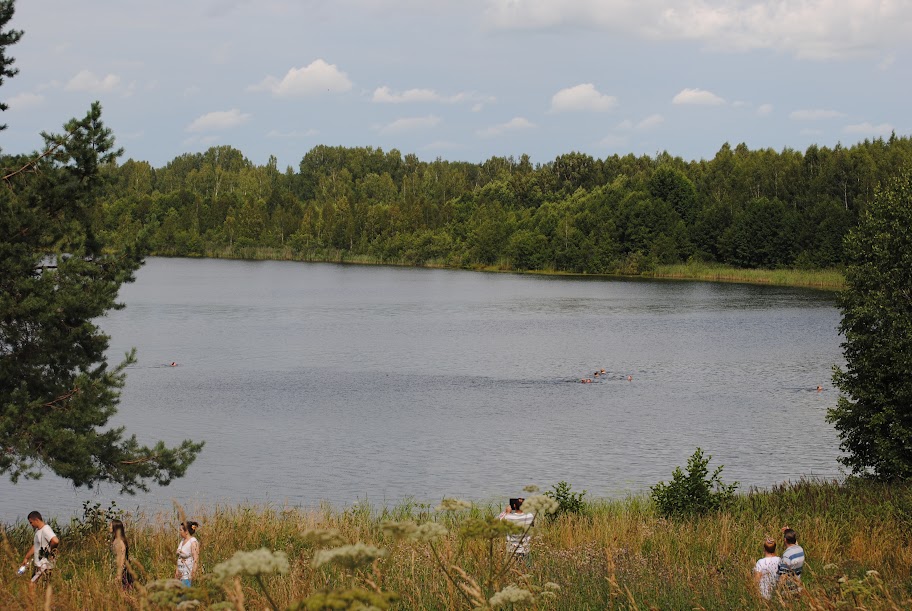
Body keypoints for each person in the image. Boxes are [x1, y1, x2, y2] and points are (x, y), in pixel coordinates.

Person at [19, 511, 59, 586]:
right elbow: (36, 546)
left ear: (37, 520)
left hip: (44, 564)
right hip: (40, 564)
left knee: (31, 584)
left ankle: (31, 598)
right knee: (44, 586)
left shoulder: (46, 529)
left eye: (31, 522)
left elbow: (55, 541)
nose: (31, 525)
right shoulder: (39, 531)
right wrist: (26, 557)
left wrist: (50, 550)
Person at [778, 527, 805, 592]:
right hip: (797, 587)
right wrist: (789, 531)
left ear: (785, 540)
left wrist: (777, 591)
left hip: (788, 590)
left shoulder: (787, 555)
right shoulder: (800, 550)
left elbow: (783, 576)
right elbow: (796, 543)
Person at [175, 520, 200, 586]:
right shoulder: (182, 540)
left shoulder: (193, 542)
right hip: (180, 574)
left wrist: (193, 573)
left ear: (186, 532)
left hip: (187, 574)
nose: (179, 532)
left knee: (185, 594)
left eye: (181, 530)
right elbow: (179, 557)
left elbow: (196, 559)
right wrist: (177, 571)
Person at [111, 519, 134, 590]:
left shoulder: (120, 542)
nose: (109, 527)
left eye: (110, 526)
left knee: (123, 589)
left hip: (122, 570)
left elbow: (122, 558)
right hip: (116, 568)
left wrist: (119, 574)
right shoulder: (115, 540)